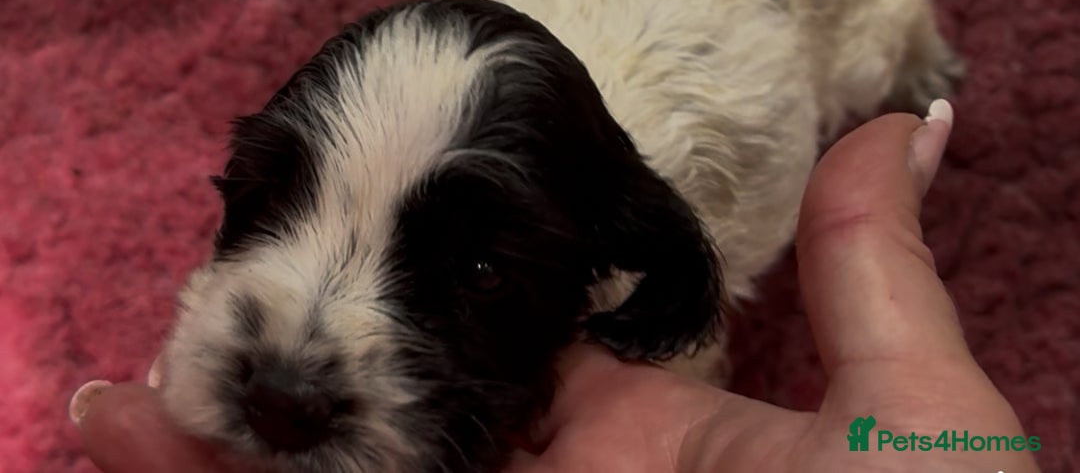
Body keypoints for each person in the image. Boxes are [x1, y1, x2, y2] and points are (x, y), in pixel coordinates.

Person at [69, 102, 1042, 473]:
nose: (286, 377)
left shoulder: (621, 226)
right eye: (271, 198)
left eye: (479, 272)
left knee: (879, 35)